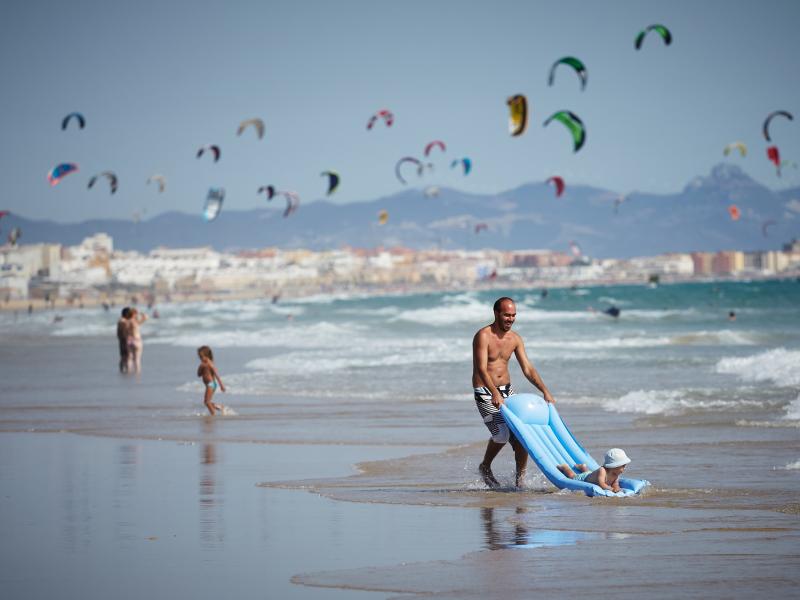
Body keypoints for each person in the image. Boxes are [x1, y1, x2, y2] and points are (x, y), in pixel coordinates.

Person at [472, 296, 555, 489]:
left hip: (507, 391)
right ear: (496, 314)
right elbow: (481, 369)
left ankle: (520, 482)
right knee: (501, 435)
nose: (510, 319)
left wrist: (545, 391)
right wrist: (493, 392)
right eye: (506, 315)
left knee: (521, 437)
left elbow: (528, 369)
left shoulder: (515, 339)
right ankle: (485, 466)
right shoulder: (483, 335)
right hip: (485, 390)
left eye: (513, 315)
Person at [557, 448, 631, 494]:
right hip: (584, 479)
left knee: (589, 473)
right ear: (615, 466)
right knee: (572, 476)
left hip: (590, 475)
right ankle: (565, 467)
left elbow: (615, 484)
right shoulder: (602, 471)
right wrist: (611, 489)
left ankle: (583, 467)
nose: (624, 468)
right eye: (623, 466)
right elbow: (601, 484)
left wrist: (617, 489)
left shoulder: (616, 474)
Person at [197, 346, 226, 415]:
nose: (200, 359)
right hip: (209, 385)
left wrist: (221, 385)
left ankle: (213, 413)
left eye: (201, 357)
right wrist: (200, 368)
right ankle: (219, 407)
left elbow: (216, 375)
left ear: (207, 356)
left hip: (211, 384)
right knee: (206, 401)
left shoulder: (210, 364)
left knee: (207, 402)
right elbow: (198, 375)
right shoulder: (203, 365)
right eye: (199, 357)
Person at [126, 307, 148, 373]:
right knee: (137, 359)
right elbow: (146, 317)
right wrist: (141, 313)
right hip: (137, 340)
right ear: (134, 314)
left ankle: (128, 371)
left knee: (129, 358)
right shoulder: (136, 321)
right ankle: (137, 373)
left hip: (129, 340)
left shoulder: (127, 321)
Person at [117, 307, 131, 373]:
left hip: (122, 340)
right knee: (126, 356)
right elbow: (123, 332)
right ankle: (126, 369)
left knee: (123, 356)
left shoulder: (122, 320)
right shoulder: (123, 321)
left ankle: (122, 369)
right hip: (124, 340)